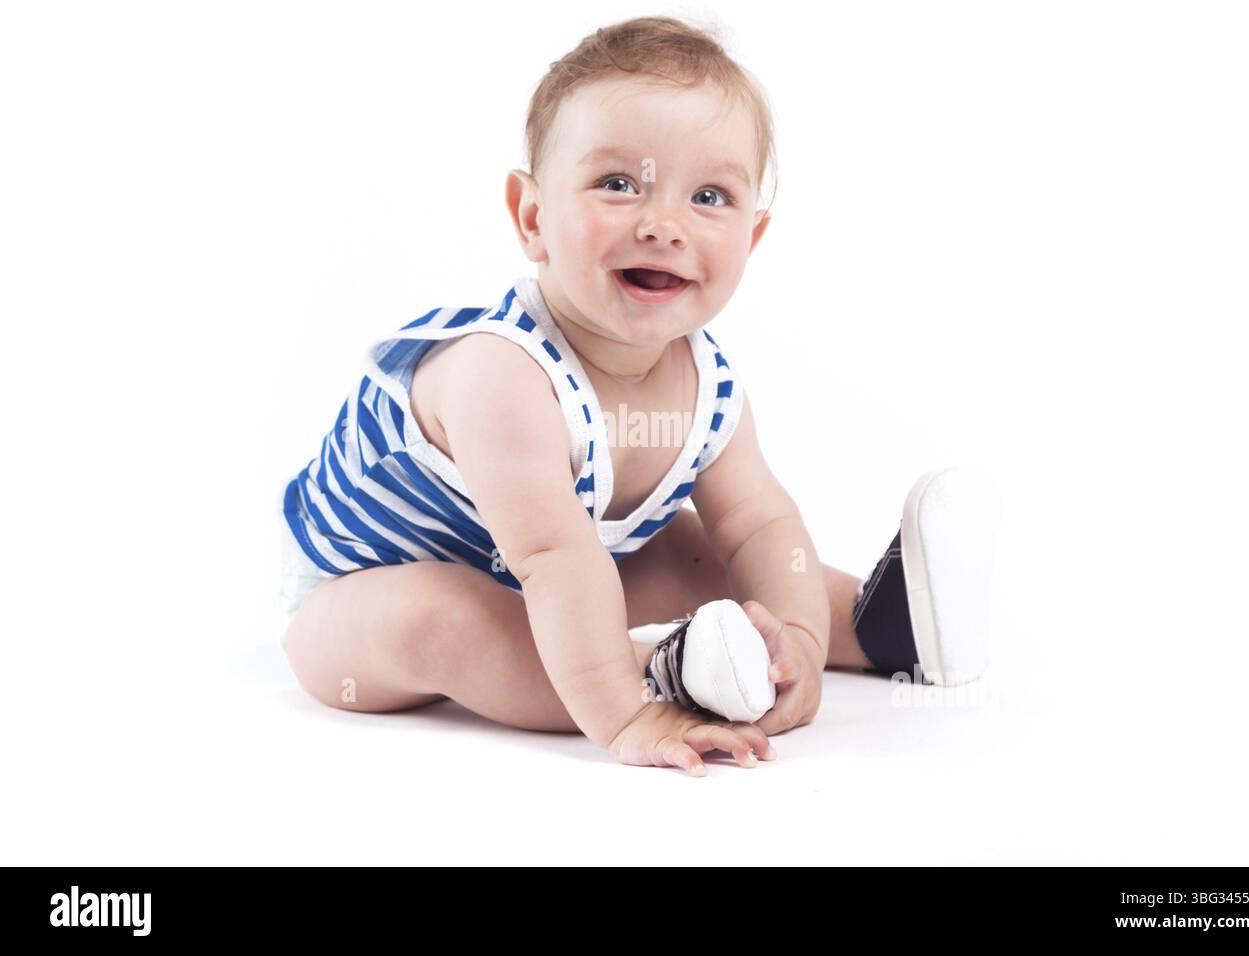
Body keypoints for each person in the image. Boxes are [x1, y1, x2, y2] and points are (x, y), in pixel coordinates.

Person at [277, 15, 998, 777]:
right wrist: (626, 716)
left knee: (696, 545)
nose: (662, 225)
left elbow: (760, 525)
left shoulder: (708, 389)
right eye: (618, 185)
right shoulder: (502, 373)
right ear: (533, 217)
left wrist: (800, 646)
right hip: (356, 604)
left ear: (751, 240)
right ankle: (662, 676)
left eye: (710, 196)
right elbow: (553, 560)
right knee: (451, 615)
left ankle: (882, 625)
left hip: (551, 573)